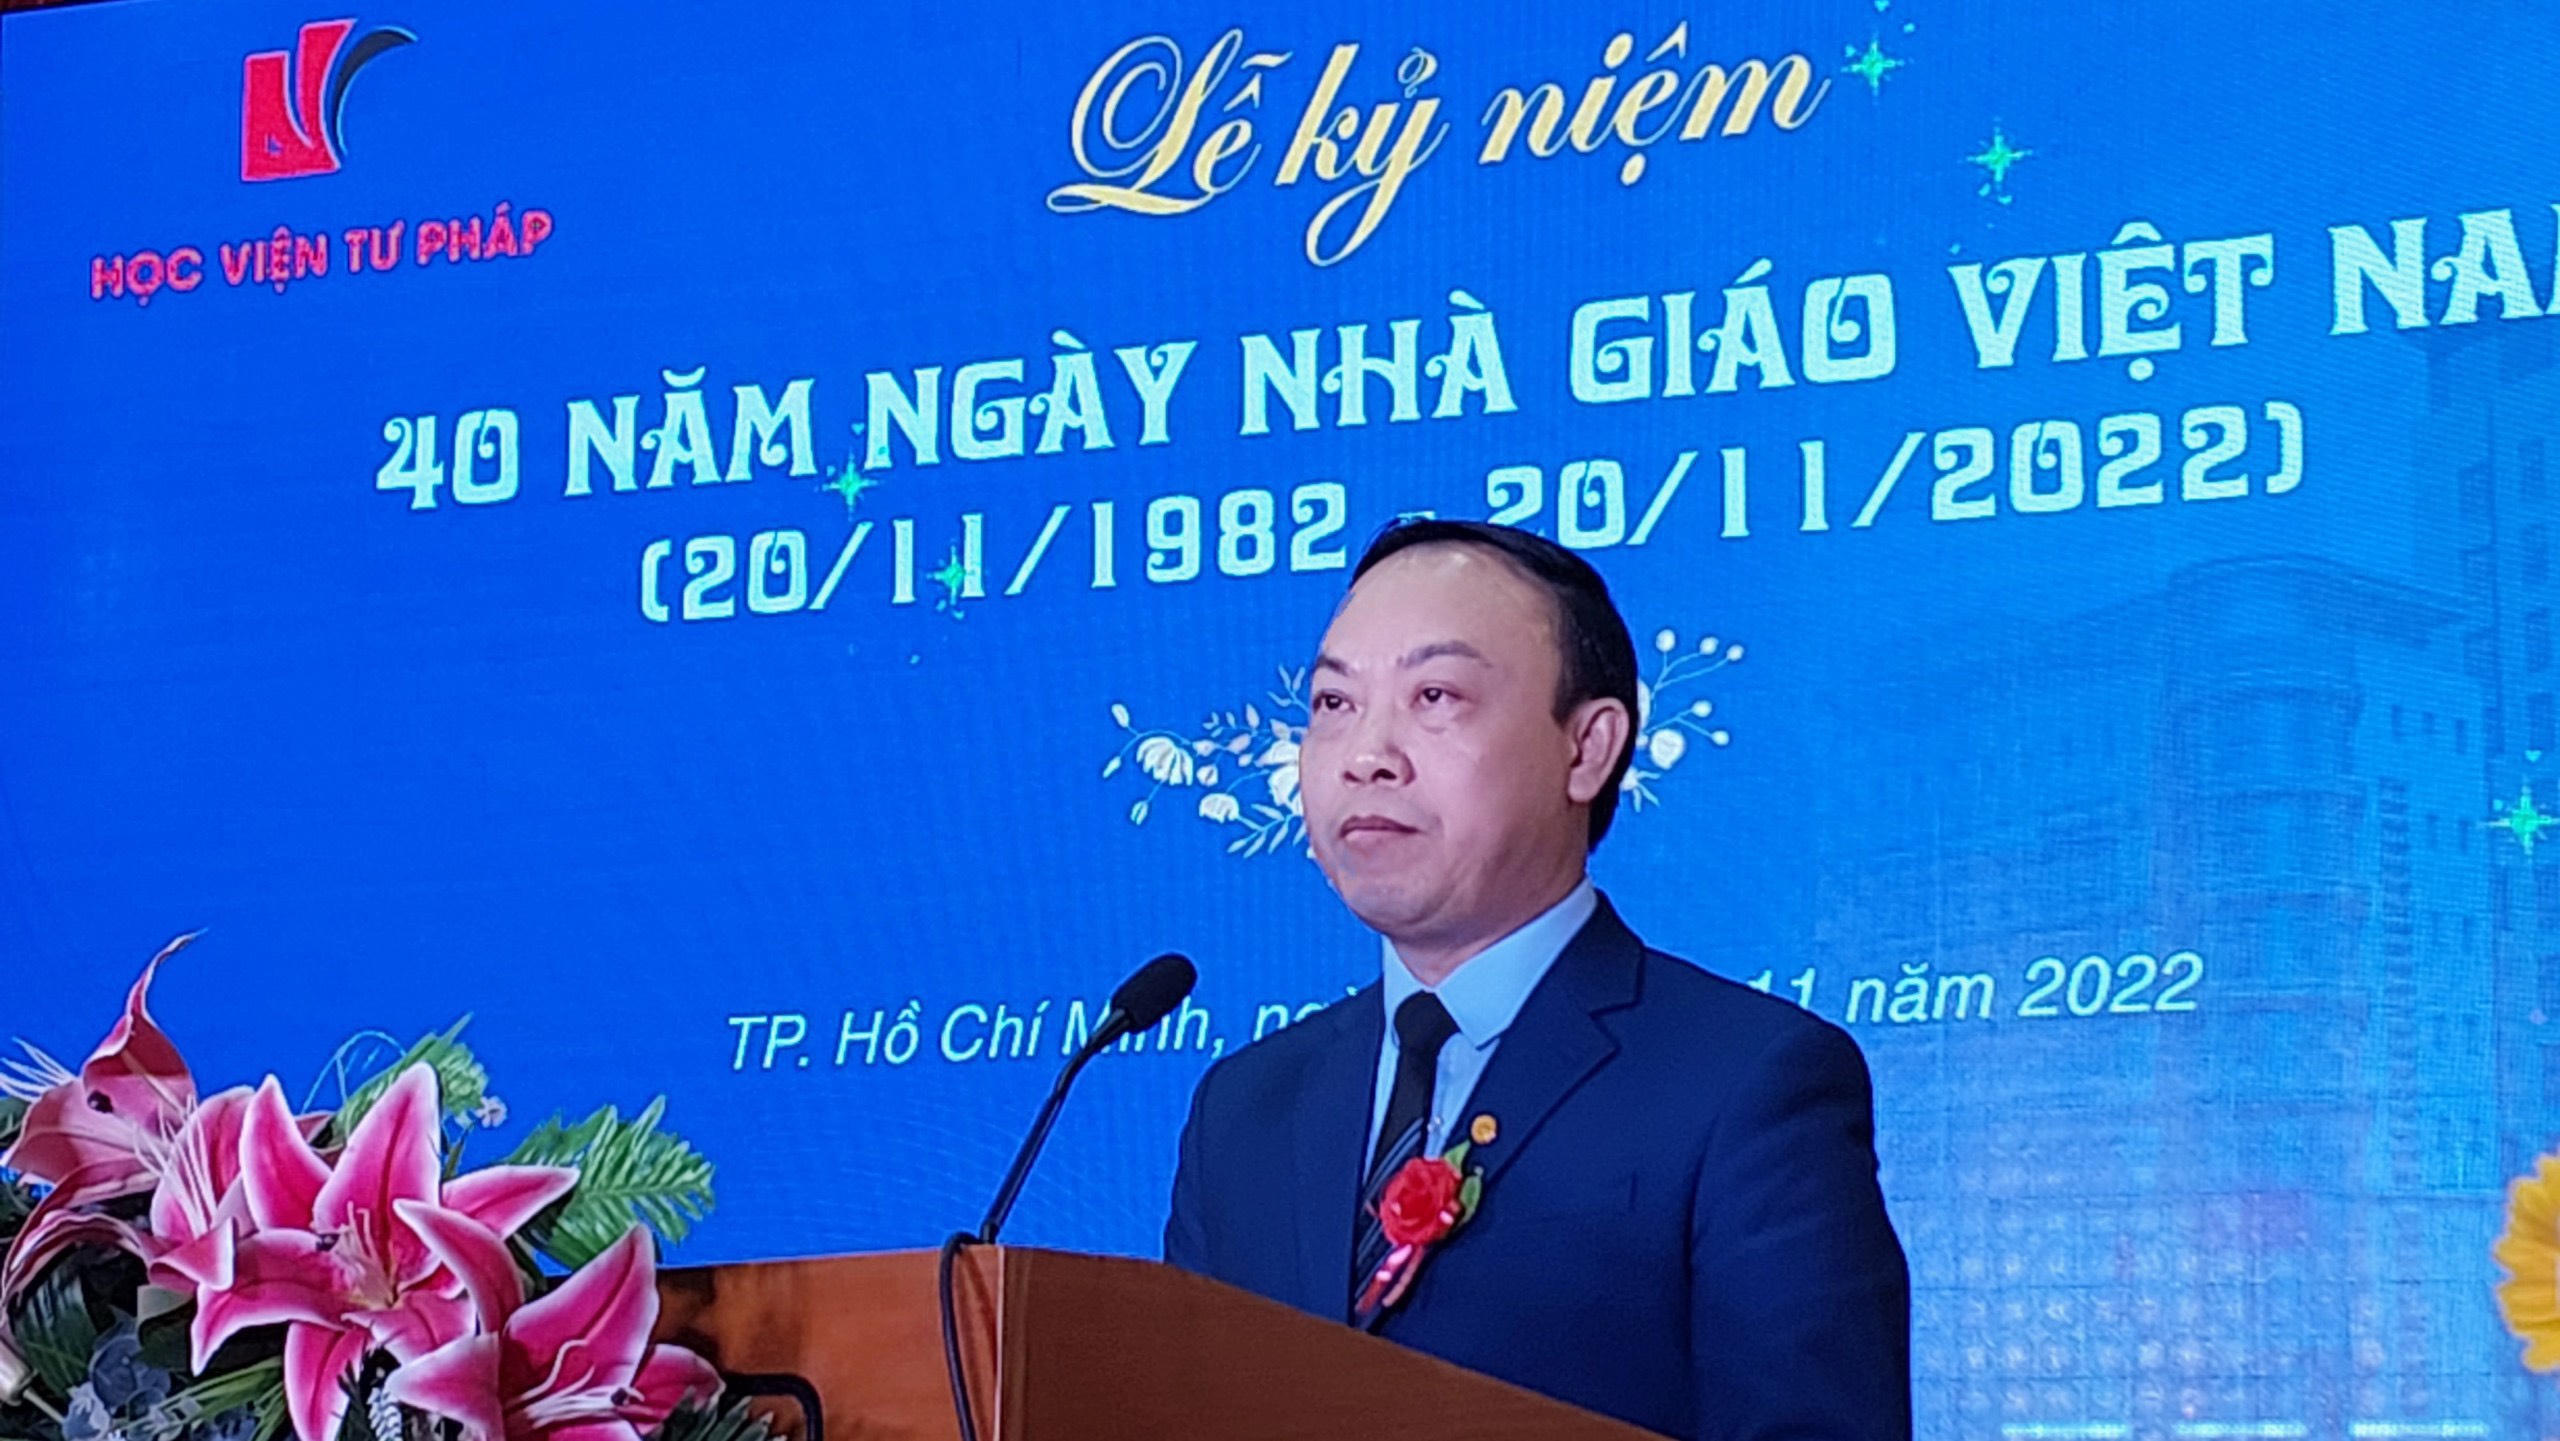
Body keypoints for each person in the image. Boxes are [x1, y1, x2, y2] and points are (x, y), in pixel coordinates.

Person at [1163, 519, 1910, 1441]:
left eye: (1435, 695)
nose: (1365, 754)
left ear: (1587, 747)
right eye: (1332, 703)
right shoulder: (1245, 1109)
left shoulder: (1747, 1082)